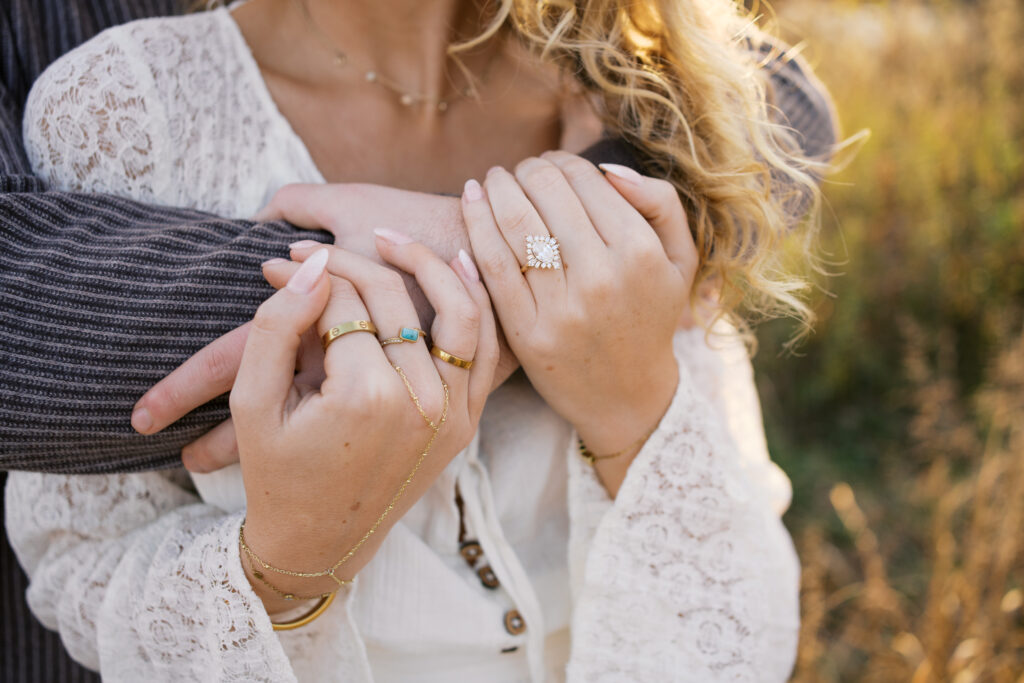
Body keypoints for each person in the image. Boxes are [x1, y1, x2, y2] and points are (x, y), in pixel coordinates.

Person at [2, 0, 838, 679]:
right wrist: (288, 567)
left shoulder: (631, 80)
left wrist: (631, 414)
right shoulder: (125, 109)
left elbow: (737, 605)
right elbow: (80, 569)